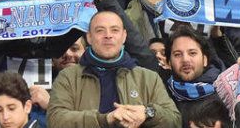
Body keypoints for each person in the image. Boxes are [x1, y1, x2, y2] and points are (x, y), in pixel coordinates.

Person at [47, 10, 181, 127]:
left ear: (124, 36)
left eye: (114, 30)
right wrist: (105, 119)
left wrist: (148, 113)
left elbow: (174, 120)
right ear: (89, 37)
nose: (108, 35)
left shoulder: (148, 77)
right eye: (100, 30)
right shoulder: (68, 77)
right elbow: (55, 120)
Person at [165, 25, 240, 128]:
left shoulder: (230, 100)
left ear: (205, 60)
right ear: (169, 62)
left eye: (192, 53)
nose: (185, 59)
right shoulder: (163, 97)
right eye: (177, 54)